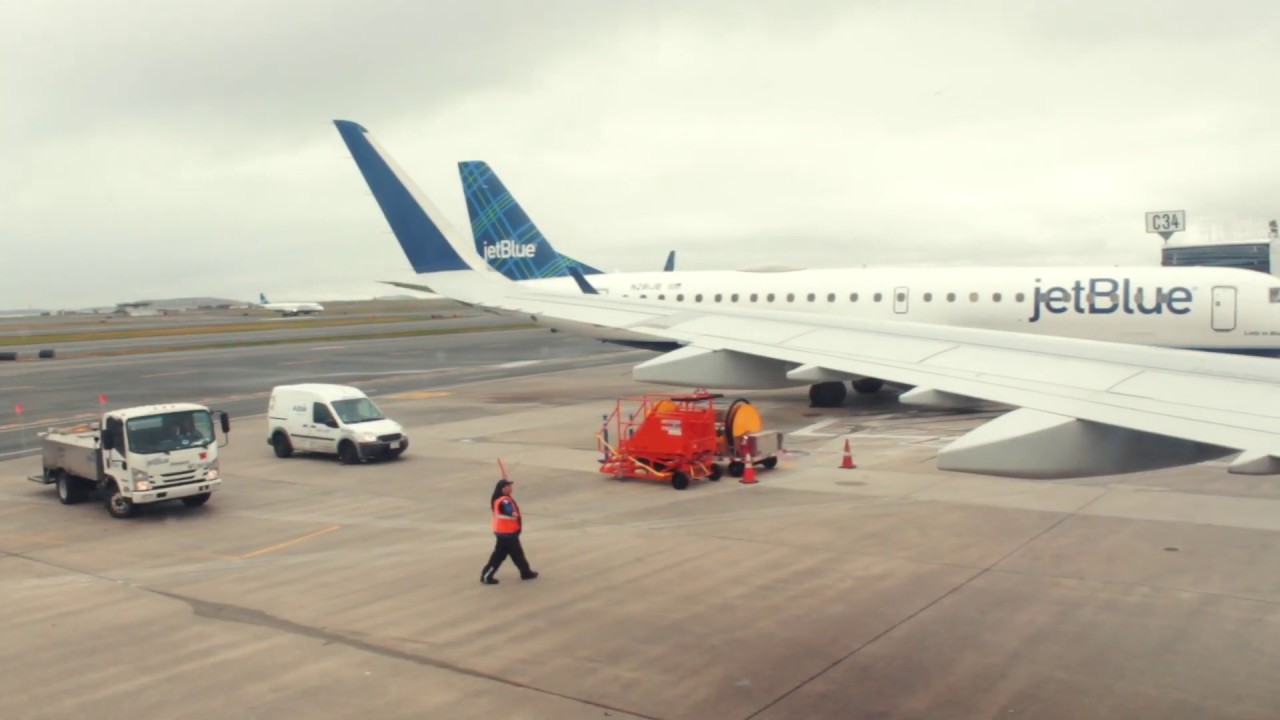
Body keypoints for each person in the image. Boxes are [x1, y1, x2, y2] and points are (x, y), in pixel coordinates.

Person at [480, 479, 538, 585]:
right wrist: (512, 513)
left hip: (509, 533)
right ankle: (486, 576)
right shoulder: (504, 500)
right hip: (506, 534)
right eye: (508, 486)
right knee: (499, 556)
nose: (511, 488)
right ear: (503, 488)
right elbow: (507, 509)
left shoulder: (501, 498)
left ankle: (526, 572)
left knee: (517, 554)